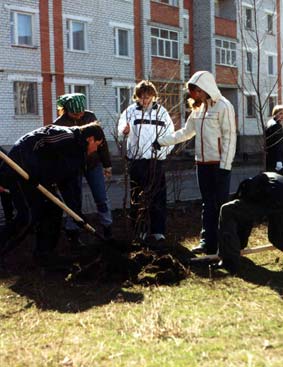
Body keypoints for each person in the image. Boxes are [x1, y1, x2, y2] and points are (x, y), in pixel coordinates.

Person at [154, 71, 237, 254]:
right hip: (202, 164)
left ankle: (225, 246)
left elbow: (229, 138)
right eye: (194, 92)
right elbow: (185, 132)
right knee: (207, 203)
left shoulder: (224, 106)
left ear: (207, 87)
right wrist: (161, 141)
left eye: (198, 91)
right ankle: (207, 243)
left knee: (221, 205)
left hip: (219, 164)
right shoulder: (198, 110)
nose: (196, 95)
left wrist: (225, 165)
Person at [0, 122, 104, 269]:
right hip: (20, 172)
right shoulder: (66, 136)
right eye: (98, 145)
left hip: (39, 179)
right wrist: (31, 168)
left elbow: (69, 184)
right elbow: (34, 141)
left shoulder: (77, 156)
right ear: (91, 139)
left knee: (54, 210)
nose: (96, 149)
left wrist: (76, 212)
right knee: (27, 217)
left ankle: (44, 254)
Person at [118, 80, 174, 246]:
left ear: (153, 96)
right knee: (137, 197)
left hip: (156, 162)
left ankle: (158, 232)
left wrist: (161, 153)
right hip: (137, 161)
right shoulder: (130, 111)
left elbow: (170, 135)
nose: (145, 100)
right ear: (137, 97)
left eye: (148, 97)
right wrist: (124, 131)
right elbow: (121, 127)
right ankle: (139, 230)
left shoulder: (162, 113)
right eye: (142, 97)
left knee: (158, 196)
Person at [54, 93, 113, 243]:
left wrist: (107, 165)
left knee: (101, 197)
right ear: (66, 110)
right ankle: (73, 232)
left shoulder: (90, 116)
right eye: (75, 113)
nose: (79, 116)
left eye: (81, 112)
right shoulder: (59, 124)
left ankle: (107, 228)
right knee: (74, 201)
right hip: (73, 168)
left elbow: (101, 141)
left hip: (93, 164)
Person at [216, 172, 283, 275]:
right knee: (276, 237)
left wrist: (238, 246)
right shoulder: (259, 184)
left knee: (227, 210)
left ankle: (230, 262)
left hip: (274, 196)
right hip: (277, 196)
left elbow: (245, 221)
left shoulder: (249, 190)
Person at [265, 105, 283, 173]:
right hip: (277, 160)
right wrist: (279, 161)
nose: (282, 116)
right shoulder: (277, 126)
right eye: (280, 113)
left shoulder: (270, 122)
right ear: (275, 114)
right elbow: (278, 145)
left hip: (270, 158)